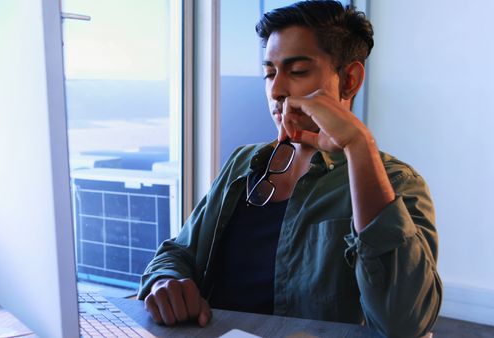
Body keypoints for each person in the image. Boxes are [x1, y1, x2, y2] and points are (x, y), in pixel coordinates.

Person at [137, 1, 442, 337]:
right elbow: (180, 251)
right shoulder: (243, 163)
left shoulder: (398, 182)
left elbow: (407, 322)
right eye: (270, 72)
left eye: (297, 71)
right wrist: (167, 281)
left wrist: (358, 145)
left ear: (350, 80)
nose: (276, 90)